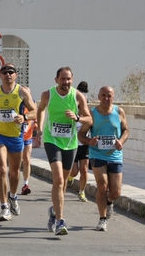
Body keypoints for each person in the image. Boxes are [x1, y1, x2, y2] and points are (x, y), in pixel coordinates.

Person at [36, 66, 91, 235]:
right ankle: (60, 221)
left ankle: (54, 210)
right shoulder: (48, 94)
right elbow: (40, 110)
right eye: (62, 79)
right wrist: (39, 129)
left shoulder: (77, 96)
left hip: (70, 143)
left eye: (68, 79)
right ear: (56, 80)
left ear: (72, 80)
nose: (65, 82)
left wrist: (77, 118)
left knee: (64, 182)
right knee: (59, 179)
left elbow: (89, 119)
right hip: (52, 140)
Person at [0, 64, 36, 222]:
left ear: (16, 75)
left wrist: (24, 117)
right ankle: (4, 207)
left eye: (11, 72)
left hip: (16, 137)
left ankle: (13, 196)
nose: (8, 75)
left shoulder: (21, 92)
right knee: (2, 170)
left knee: (14, 172)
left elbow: (34, 111)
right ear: (0, 76)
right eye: (4, 72)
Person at [78, 86, 129, 232]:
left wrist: (121, 141)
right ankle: (102, 219)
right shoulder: (92, 114)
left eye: (109, 96)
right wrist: (89, 141)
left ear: (113, 97)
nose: (106, 98)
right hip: (97, 154)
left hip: (115, 155)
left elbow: (126, 130)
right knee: (102, 185)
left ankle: (109, 202)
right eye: (104, 96)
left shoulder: (119, 112)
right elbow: (80, 135)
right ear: (99, 97)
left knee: (115, 192)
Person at [68, 81, 90, 202]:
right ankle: (71, 177)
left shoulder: (88, 116)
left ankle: (82, 192)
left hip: (84, 145)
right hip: (73, 145)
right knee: (75, 171)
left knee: (84, 170)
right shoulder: (73, 115)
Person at [20, 86, 38, 195]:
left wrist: (35, 124)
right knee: (15, 163)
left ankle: (25, 184)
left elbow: (35, 115)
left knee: (26, 159)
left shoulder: (33, 103)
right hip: (15, 137)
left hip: (27, 136)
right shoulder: (16, 103)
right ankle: (11, 182)